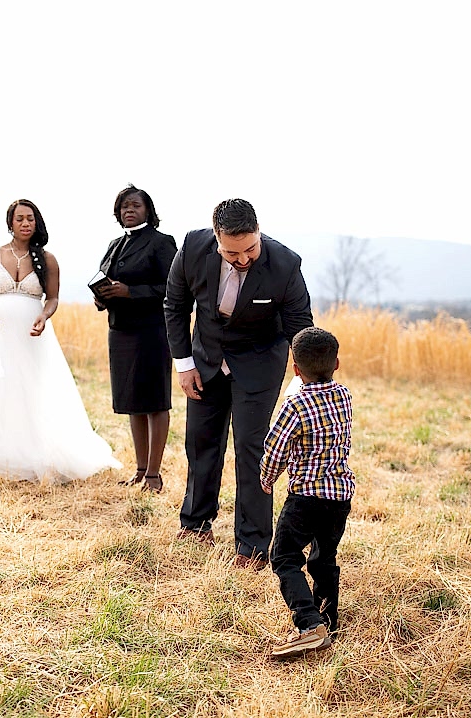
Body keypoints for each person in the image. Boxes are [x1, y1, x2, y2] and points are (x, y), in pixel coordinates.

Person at [164, 198, 313, 568]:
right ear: (216, 239)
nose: (243, 258)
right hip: (205, 360)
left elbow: (300, 325)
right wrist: (184, 364)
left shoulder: (285, 264)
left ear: (258, 233)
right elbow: (175, 305)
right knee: (200, 442)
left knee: (251, 448)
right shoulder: (192, 248)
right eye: (233, 252)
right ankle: (196, 524)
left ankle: (253, 545)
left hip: (259, 363)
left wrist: (312, 380)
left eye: (250, 248)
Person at [0, 199, 121, 488]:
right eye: (19, 218)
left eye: (30, 218)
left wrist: (44, 316)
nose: (25, 223)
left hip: (33, 336)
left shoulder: (48, 259)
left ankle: (33, 455)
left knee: (32, 391)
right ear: (10, 223)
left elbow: (53, 298)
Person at [260, 327, 355, 658]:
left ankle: (308, 624)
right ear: (337, 363)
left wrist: (267, 477)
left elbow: (275, 447)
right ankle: (328, 624)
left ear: (295, 370)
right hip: (340, 496)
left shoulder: (296, 403)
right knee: (324, 560)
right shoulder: (345, 397)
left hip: (306, 497)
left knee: (284, 557)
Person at [94, 185, 179, 494]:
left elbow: (173, 290)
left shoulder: (161, 243)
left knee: (155, 401)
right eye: (123, 206)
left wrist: (131, 292)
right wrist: (102, 297)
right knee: (132, 402)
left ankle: (155, 475)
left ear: (148, 211)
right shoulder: (115, 245)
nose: (128, 210)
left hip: (152, 331)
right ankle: (140, 470)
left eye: (135, 205)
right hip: (120, 331)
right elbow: (102, 280)